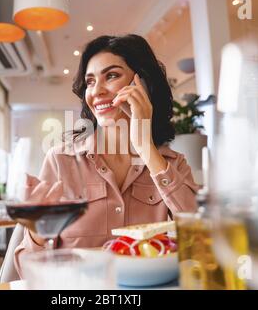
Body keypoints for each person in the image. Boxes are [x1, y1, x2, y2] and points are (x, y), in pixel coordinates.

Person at [13, 34, 199, 278]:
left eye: (111, 75)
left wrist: (145, 148)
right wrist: (37, 231)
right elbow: (28, 270)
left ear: (142, 83)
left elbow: (199, 239)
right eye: (90, 82)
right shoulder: (61, 161)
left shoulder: (172, 164)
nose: (97, 91)